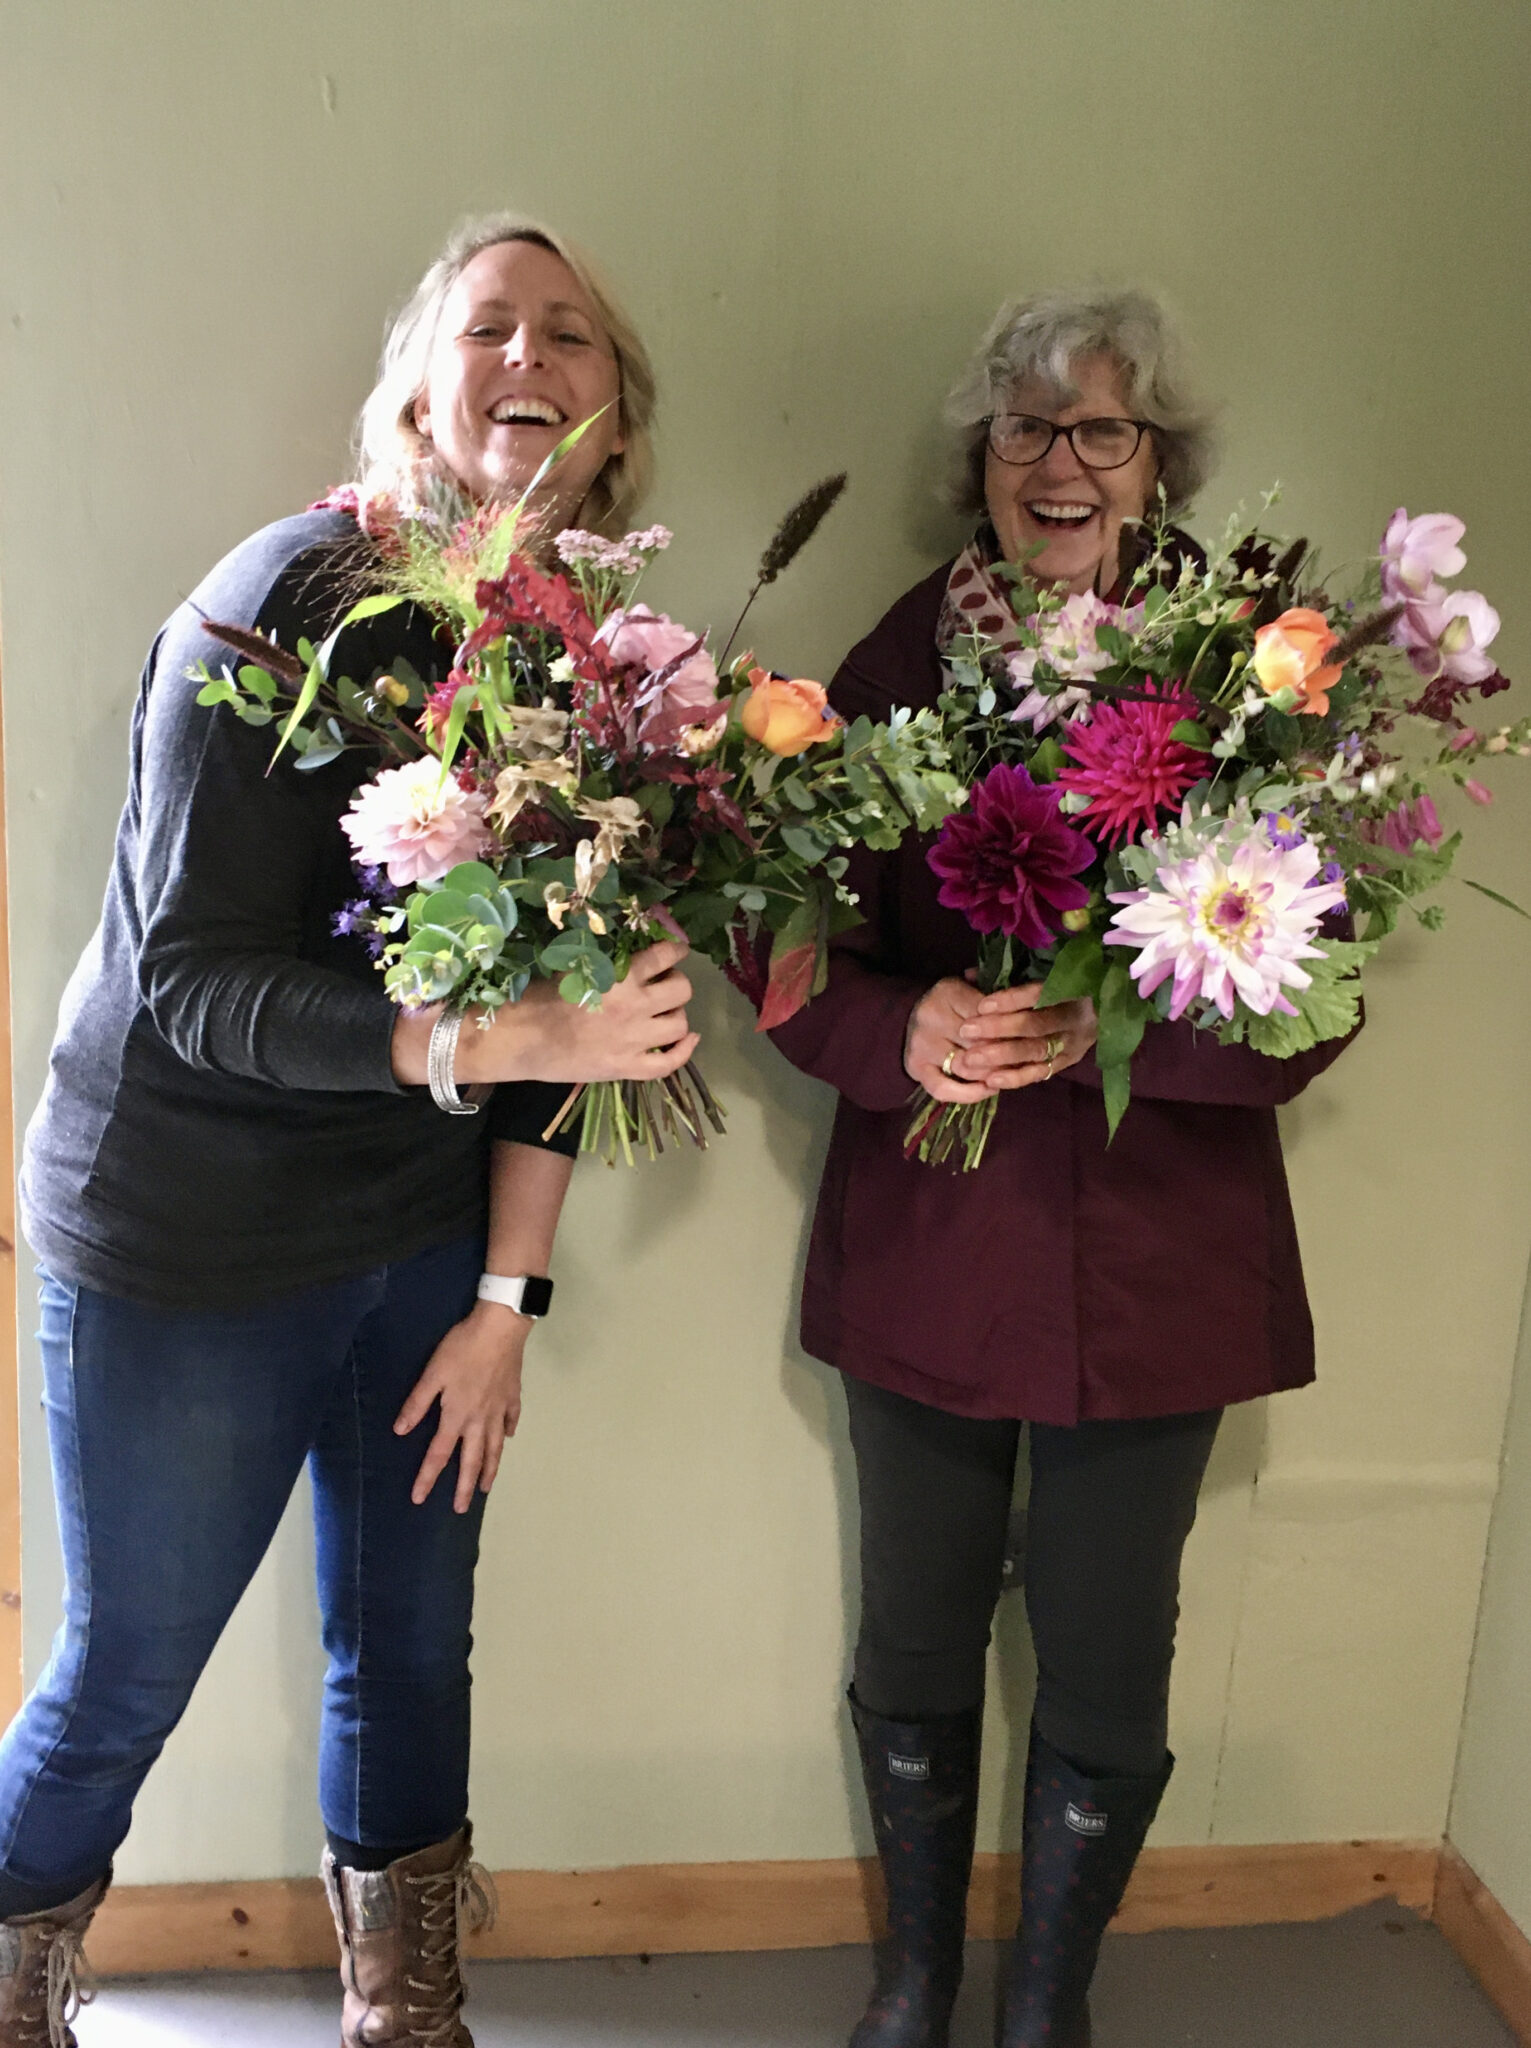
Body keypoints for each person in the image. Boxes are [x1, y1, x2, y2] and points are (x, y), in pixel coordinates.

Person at [0, 213, 691, 2048]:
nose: (530, 356)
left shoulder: (594, 671)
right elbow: (192, 982)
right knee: (126, 1671)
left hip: (414, 1245)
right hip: (187, 1238)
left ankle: (407, 2008)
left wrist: (505, 1301)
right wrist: (496, 1031)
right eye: (489, 327)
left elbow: (574, 1017)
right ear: (415, 396)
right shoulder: (278, 603)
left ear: (616, 424)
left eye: (572, 334)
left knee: (410, 1641)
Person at [768, 289, 1357, 2048]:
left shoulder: (1247, 681)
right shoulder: (892, 666)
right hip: (934, 1244)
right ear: (981, 461)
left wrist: (1119, 1023)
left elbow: (1316, 995)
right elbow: (786, 944)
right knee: (914, 1633)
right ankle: (914, 1983)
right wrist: (905, 1033)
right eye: (1024, 428)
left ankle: (1049, 2005)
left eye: (1104, 429)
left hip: (1157, 1262)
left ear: (1158, 464)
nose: (1061, 464)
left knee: (1109, 1646)